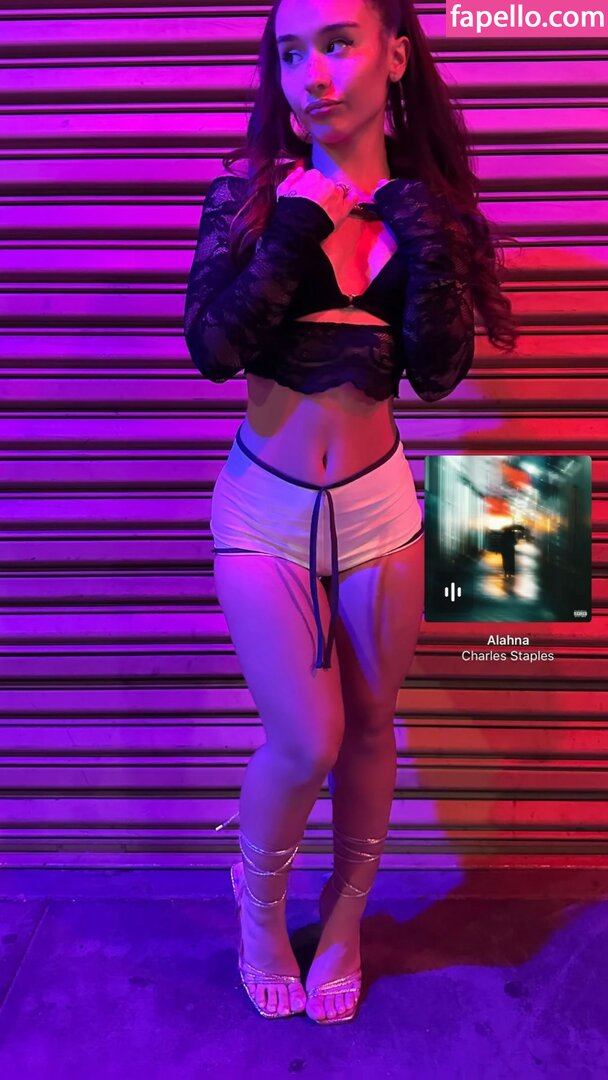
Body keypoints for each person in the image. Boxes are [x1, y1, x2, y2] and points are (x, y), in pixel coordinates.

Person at [184, 0, 518, 1025]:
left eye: (337, 44)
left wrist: (422, 238)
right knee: (305, 740)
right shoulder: (248, 198)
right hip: (263, 511)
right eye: (291, 53)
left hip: (381, 509)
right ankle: (259, 907)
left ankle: (342, 919)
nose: (313, 75)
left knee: (373, 727)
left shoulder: (428, 210)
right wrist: (296, 227)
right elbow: (212, 349)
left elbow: (437, 374)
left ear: (395, 56)